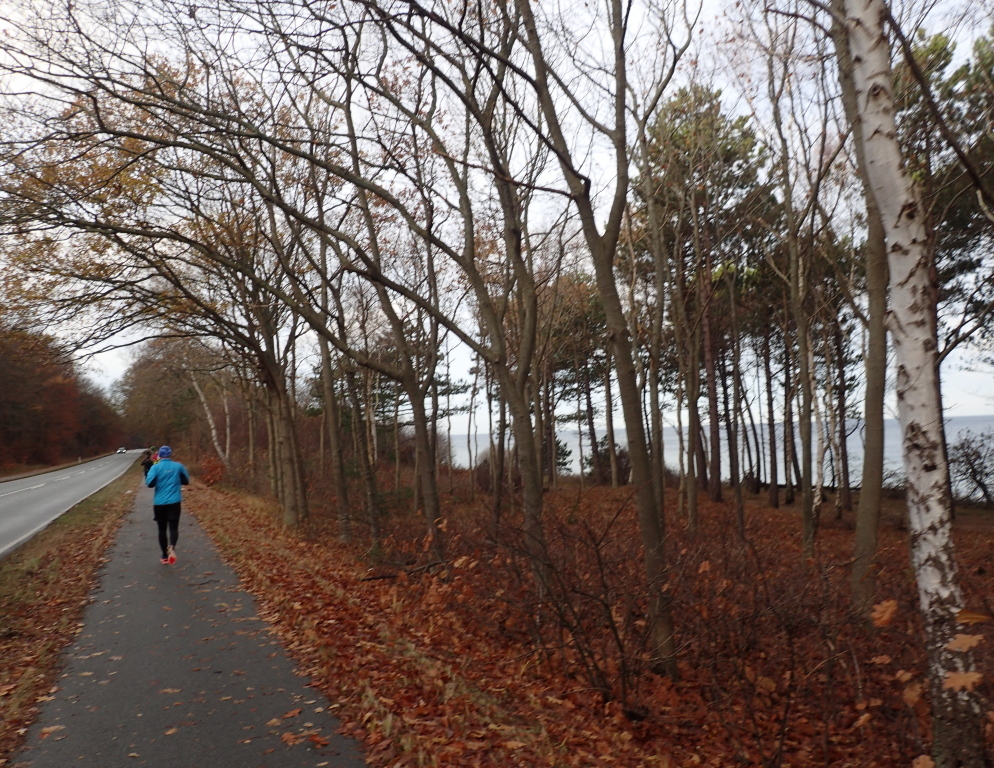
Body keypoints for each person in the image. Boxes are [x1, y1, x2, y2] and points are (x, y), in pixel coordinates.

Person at [145, 445, 190, 565]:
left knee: (162, 530)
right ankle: (172, 547)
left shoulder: (155, 467)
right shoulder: (178, 466)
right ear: (170, 454)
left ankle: (164, 556)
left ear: (160, 455)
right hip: (174, 502)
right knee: (174, 527)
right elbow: (186, 481)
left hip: (159, 503)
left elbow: (150, 484)